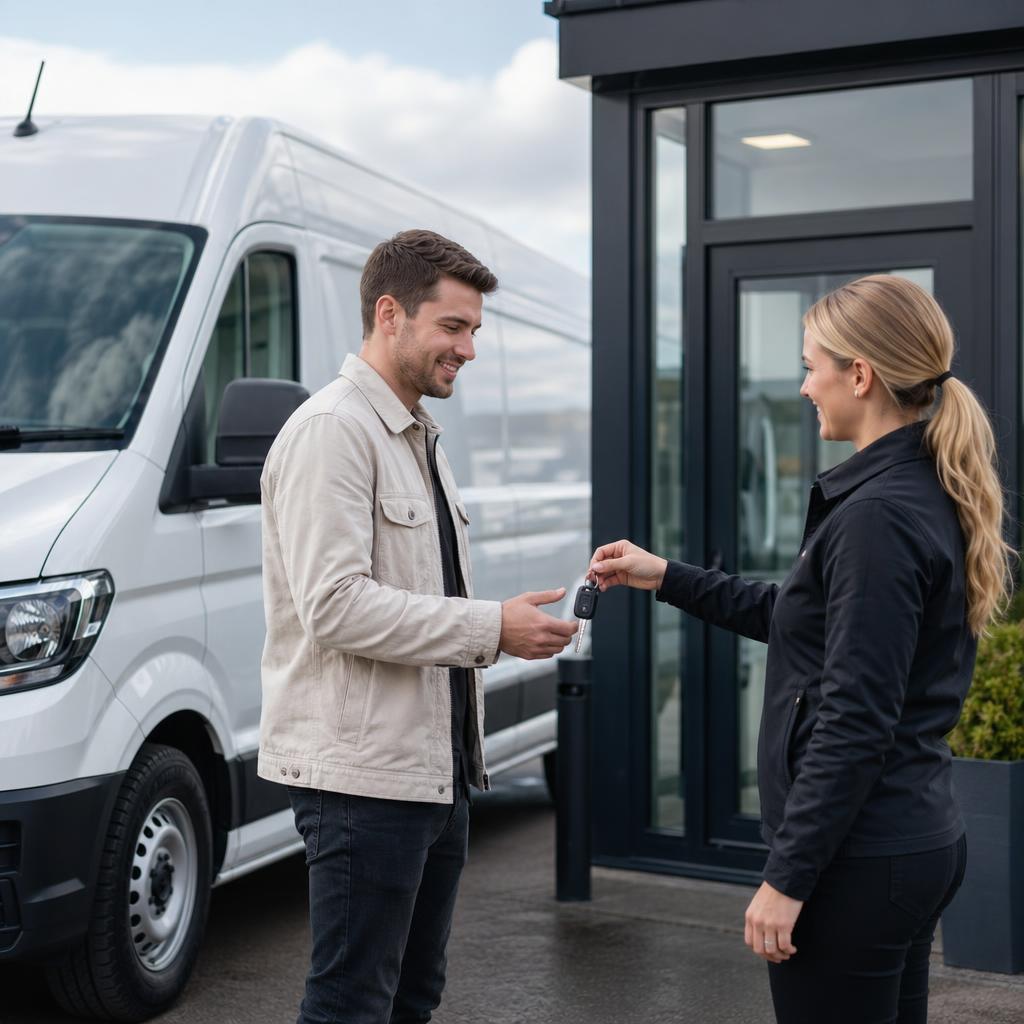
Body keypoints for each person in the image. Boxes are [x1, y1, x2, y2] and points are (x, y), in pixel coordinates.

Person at [589, 275, 1013, 1024]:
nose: (804, 385)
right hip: (904, 843)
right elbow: (805, 620)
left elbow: (855, 718)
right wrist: (667, 576)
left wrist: (787, 878)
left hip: (861, 862)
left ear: (861, 374)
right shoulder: (914, 490)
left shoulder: (877, 517)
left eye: (812, 364)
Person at [258, 229, 577, 1024]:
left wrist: (496, 626)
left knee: (410, 998)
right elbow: (334, 605)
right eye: (454, 327)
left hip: (430, 776)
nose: (469, 348)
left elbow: (407, 593)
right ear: (390, 314)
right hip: (361, 784)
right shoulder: (333, 430)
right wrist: (490, 628)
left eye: (474, 330)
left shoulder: (414, 434)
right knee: (351, 1003)